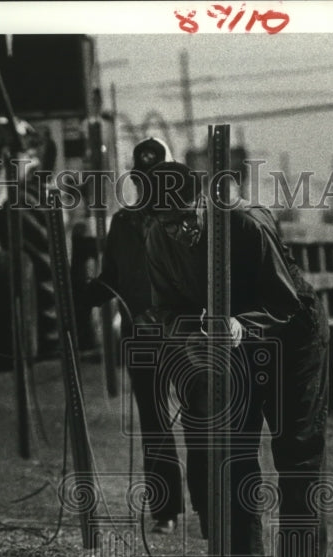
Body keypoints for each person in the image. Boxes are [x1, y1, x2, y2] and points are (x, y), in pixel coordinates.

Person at [143, 161, 330, 557]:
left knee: (296, 453)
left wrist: (243, 324)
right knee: (232, 452)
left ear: (204, 201)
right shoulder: (157, 241)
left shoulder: (245, 222)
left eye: (188, 217)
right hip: (229, 348)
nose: (182, 230)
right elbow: (166, 309)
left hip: (291, 337)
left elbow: (285, 299)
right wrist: (189, 334)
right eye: (169, 223)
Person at [84, 138, 201, 534]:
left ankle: (207, 506)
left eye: (156, 177)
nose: (148, 184)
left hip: (186, 335)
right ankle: (165, 509)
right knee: (154, 424)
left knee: (199, 420)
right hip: (142, 334)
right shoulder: (123, 223)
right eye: (142, 178)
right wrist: (81, 297)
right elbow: (112, 279)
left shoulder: (190, 220)